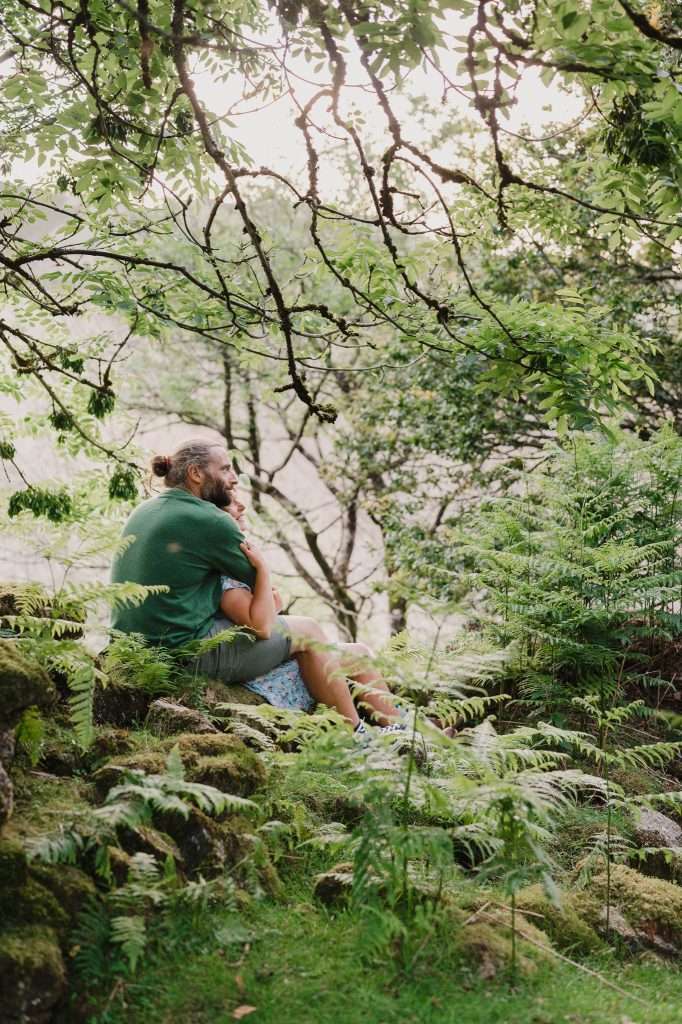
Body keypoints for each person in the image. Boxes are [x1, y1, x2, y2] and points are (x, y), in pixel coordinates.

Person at [110, 439, 403, 735]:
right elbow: (263, 624)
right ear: (196, 473)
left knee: (344, 650)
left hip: (135, 652)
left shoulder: (144, 511)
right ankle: (357, 736)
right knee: (308, 630)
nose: (234, 478)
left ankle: (401, 730)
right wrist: (262, 567)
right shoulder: (209, 520)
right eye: (225, 469)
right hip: (185, 656)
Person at [218, 490, 406, 736]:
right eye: (232, 502)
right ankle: (365, 734)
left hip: (272, 653)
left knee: (359, 653)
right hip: (257, 666)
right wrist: (266, 587)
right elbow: (258, 624)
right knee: (344, 651)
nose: (242, 506)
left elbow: (269, 611)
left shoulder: (239, 561)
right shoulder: (224, 572)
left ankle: (403, 730)